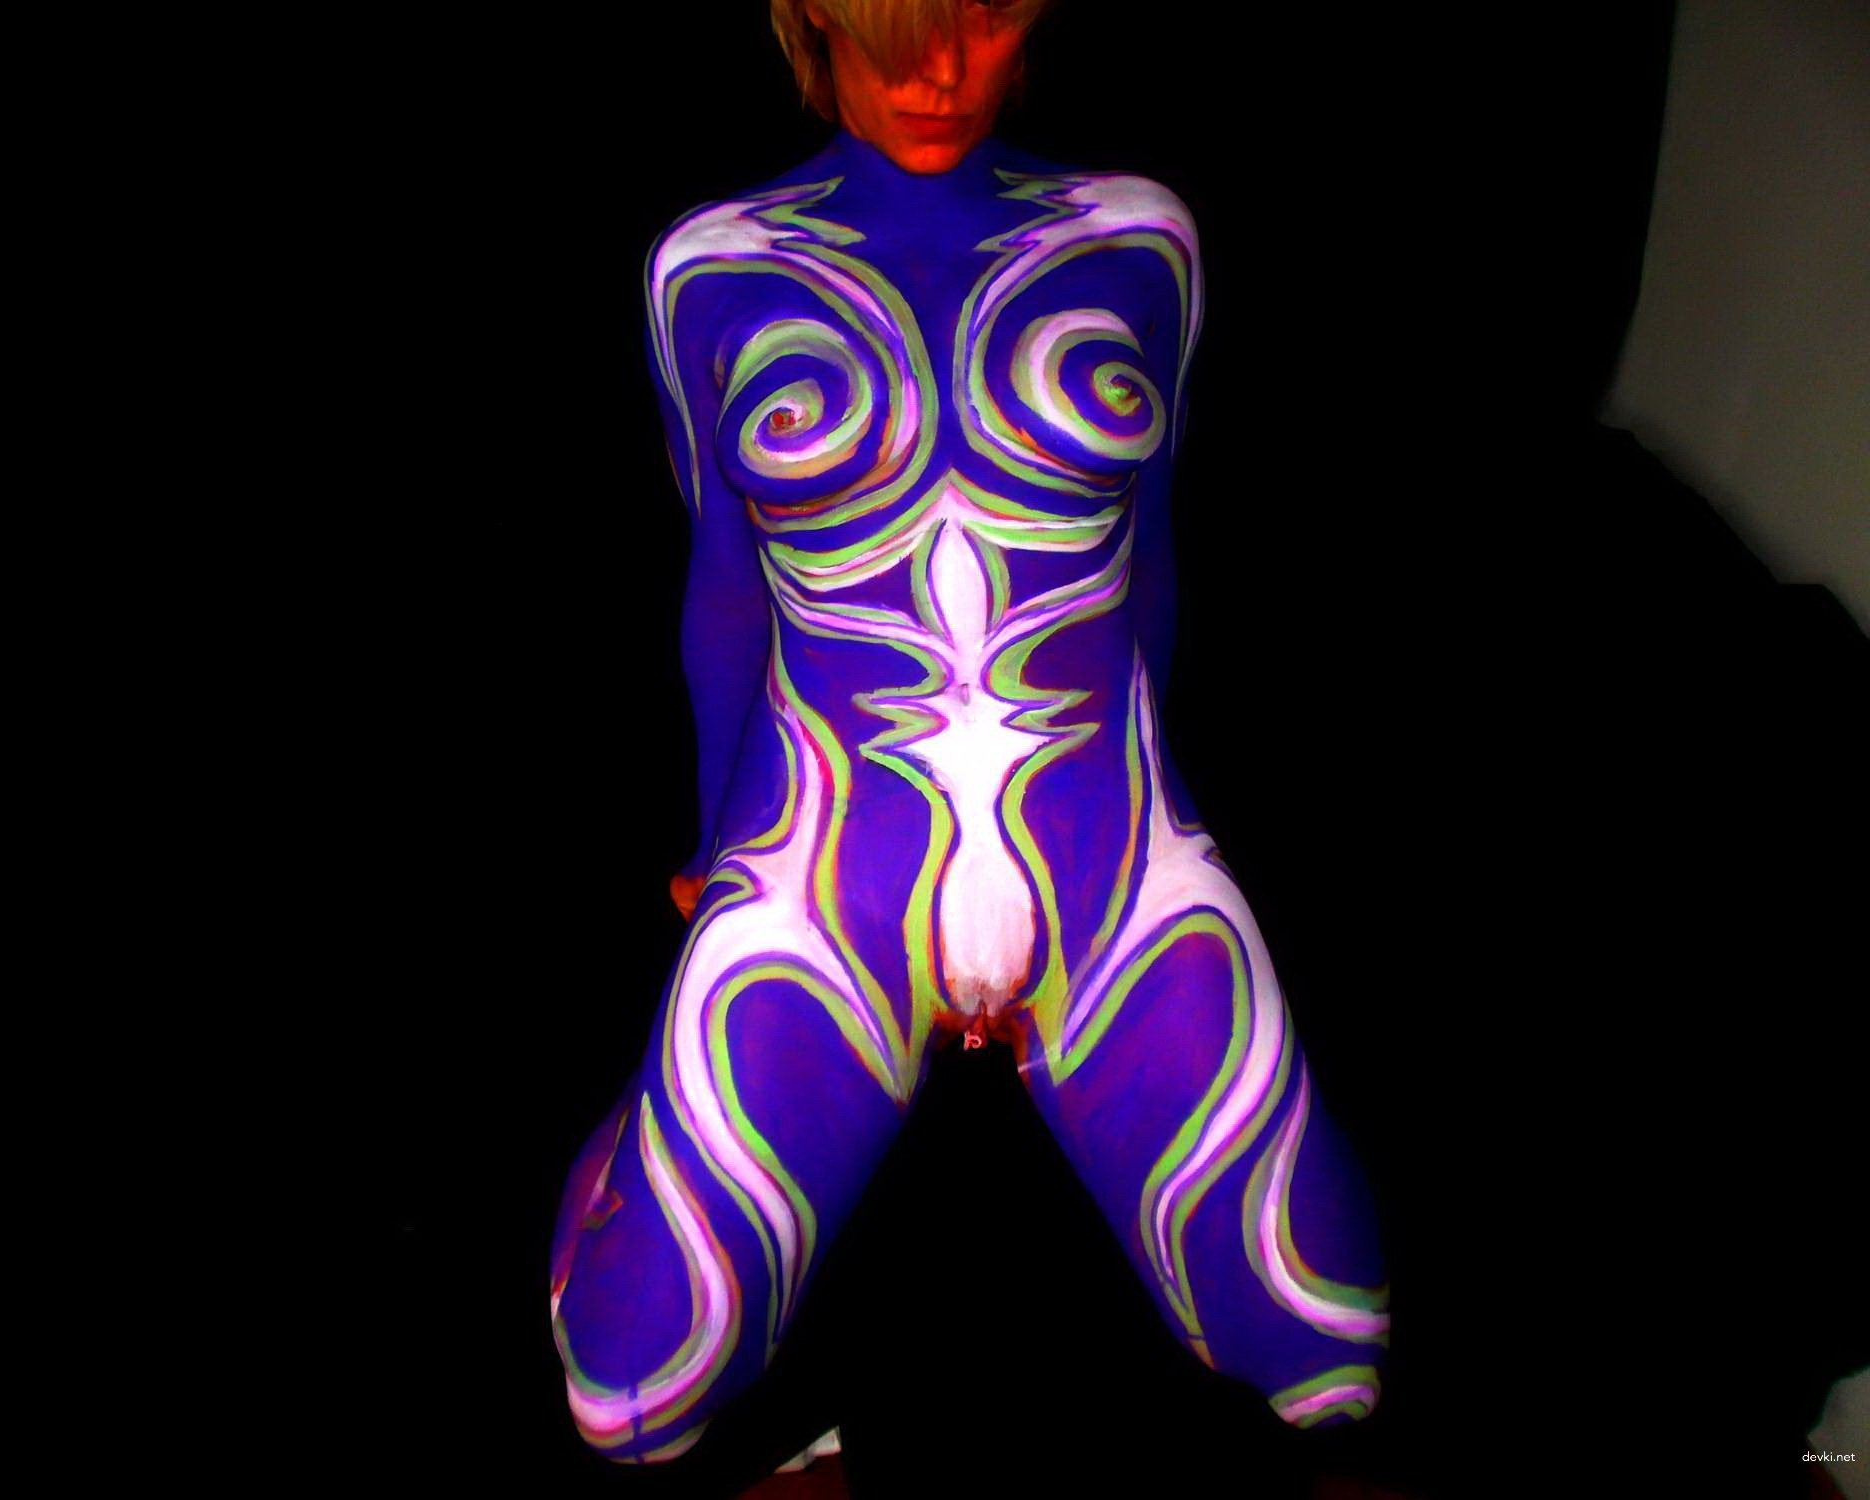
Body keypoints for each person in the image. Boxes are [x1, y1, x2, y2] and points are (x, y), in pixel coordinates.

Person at [549, 0, 1390, 1463]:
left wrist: (1168, 829)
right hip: (822, 862)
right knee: (628, 1403)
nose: (936, 71)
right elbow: (725, 595)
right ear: (814, 7)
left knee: (1332, 1358)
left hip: (1105, 845)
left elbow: (1150, 563)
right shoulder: (708, 268)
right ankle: (640, 1115)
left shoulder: (1142, 239)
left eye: (984, 13)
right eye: (896, 21)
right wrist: (710, 863)